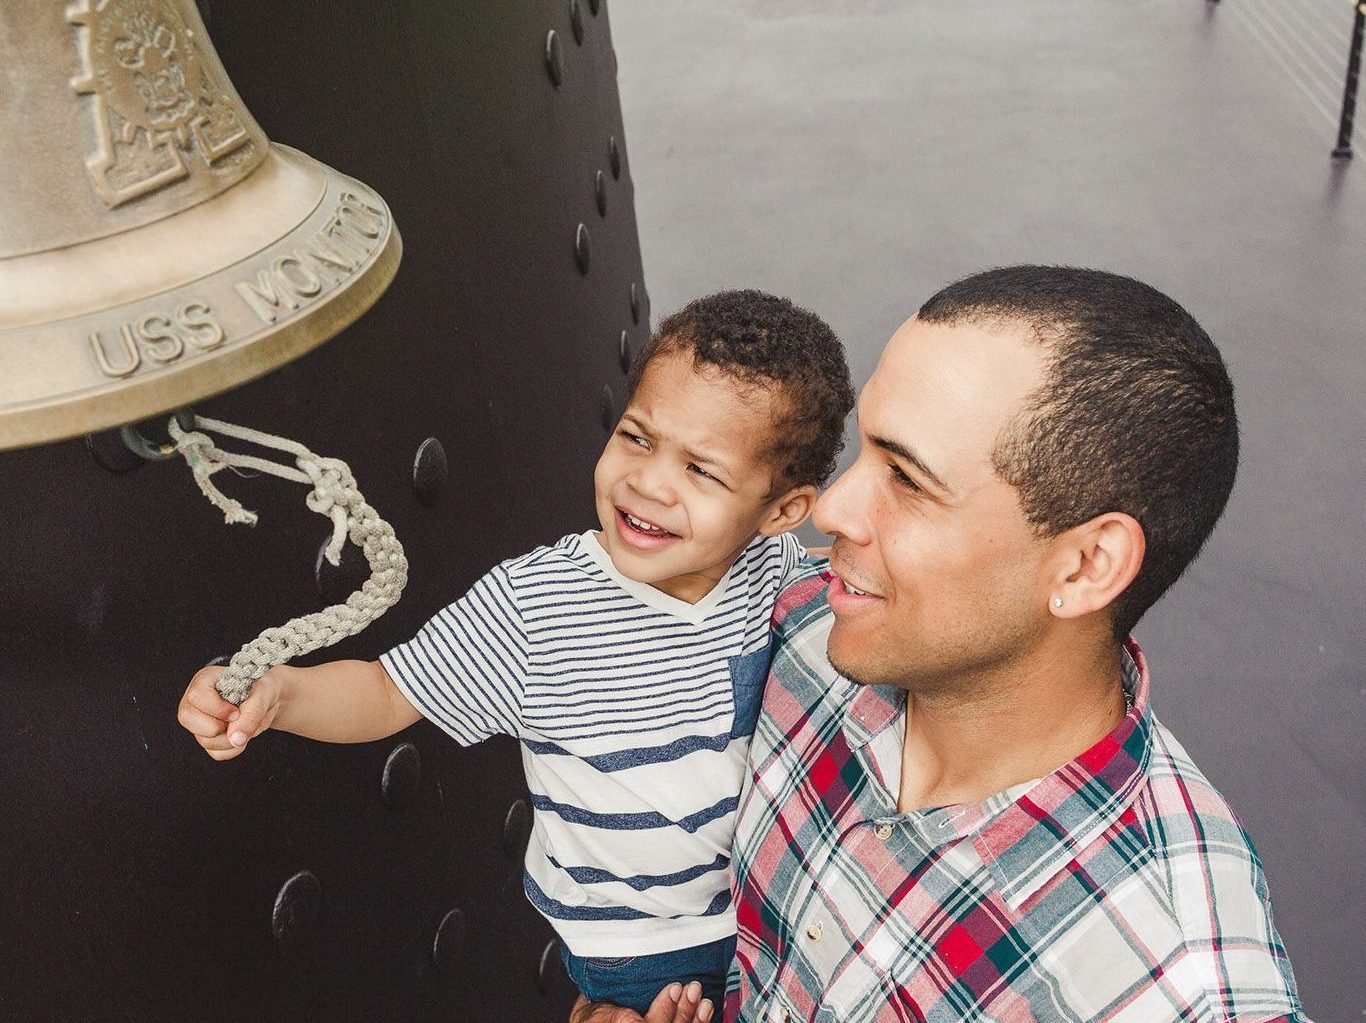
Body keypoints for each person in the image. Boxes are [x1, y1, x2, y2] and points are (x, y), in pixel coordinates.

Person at [574, 266, 1310, 1023]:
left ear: (1088, 564)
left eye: (909, 481)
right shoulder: (792, 628)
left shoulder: (1172, 987)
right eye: (863, 452)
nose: (830, 509)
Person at [177, 289, 854, 1017]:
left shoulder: (778, 568)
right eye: (637, 436)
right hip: (641, 949)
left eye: (702, 471)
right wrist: (282, 694)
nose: (648, 481)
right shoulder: (537, 605)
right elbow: (385, 690)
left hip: (777, 907)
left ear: (780, 510)